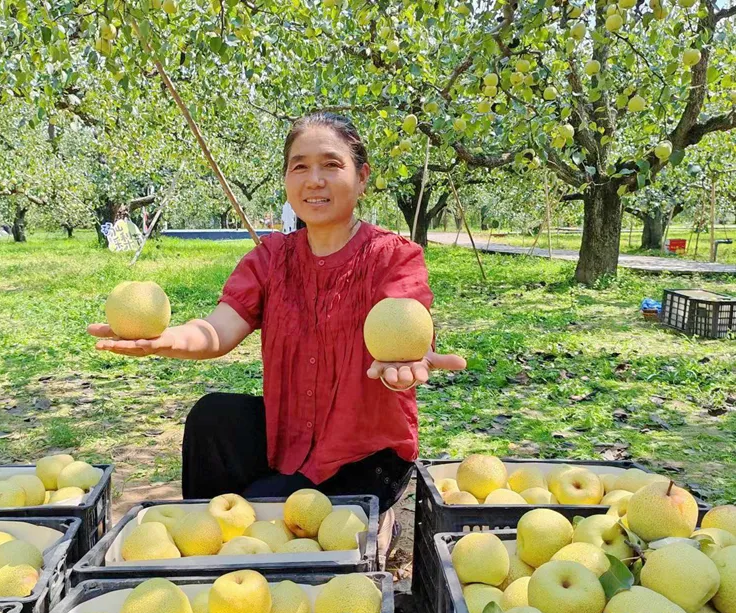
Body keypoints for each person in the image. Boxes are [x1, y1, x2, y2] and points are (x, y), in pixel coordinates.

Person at [88, 112, 466, 558]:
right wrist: (164, 339)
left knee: (265, 515)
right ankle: (206, 551)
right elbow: (218, 329)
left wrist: (405, 361)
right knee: (213, 418)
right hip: (290, 435)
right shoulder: (272, 258)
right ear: (287, 179)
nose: (315, 180)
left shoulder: (391, 257)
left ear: (362, 177)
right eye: (300, 166)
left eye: (332, 165)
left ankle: (376, 526)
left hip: (364, 454)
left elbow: (407, 318)